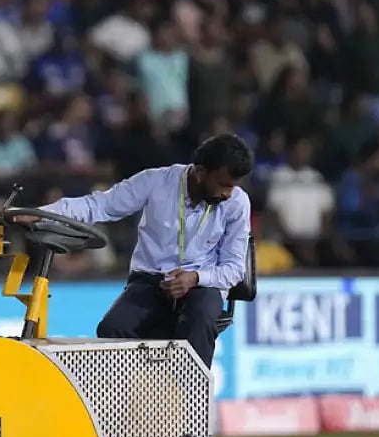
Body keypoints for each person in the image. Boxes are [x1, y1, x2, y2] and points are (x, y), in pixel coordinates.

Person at [32, 133, 253, 368]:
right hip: (151, 281)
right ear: (200, 172)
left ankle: (189, 399)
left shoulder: (237, 202)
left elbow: (234, 269)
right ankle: (126, 398)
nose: (228, 193)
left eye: (233, 186)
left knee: (198, 320)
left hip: (203, 284)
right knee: (112, 328)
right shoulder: (155, 182)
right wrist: (38, 214)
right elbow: (98, 205)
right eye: (223, 185)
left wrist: (195, 278)